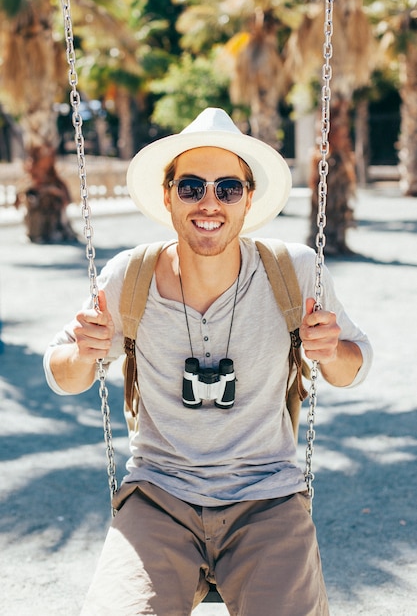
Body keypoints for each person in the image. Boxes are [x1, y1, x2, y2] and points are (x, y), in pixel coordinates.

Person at [44, 108, 372, 616]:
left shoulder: (295, 271)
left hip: (268, 497)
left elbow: (355, 365)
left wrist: (330, 352)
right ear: (168, 195)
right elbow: (61, 373)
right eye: (192, 186)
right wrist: (84, 354)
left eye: (228, 188)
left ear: (249, 198)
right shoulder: (129, 276)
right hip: (159, 497)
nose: (210, 203)